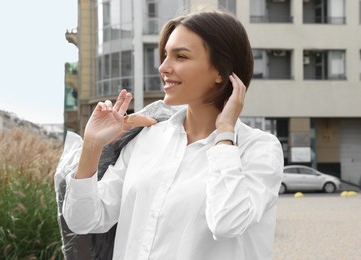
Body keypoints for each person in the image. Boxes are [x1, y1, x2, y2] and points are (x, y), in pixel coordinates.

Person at [60, 10, 284, 260]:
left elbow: (228, 222)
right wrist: (92, 145)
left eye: (180, 56)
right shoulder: (147, 139)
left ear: (221, 71)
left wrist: (224, 136)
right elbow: (83, 221)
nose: (163, 67)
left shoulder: (258, 149)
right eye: (166, 55)